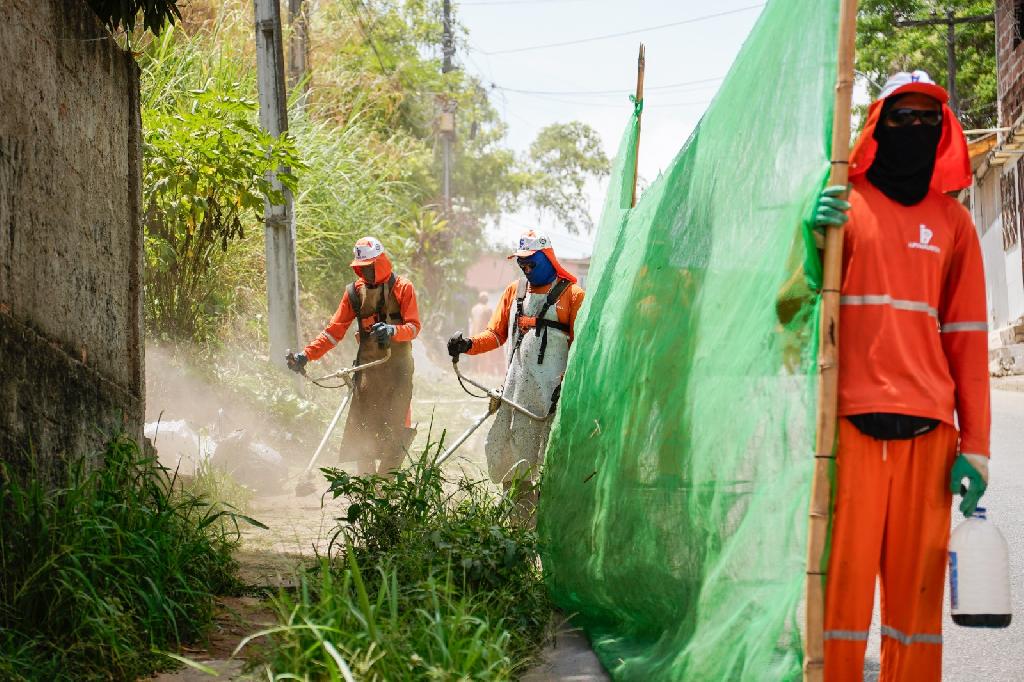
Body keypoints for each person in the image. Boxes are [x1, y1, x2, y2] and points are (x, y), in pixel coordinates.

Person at [812, 71, 990, 681]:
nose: (915, 129)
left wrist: (980, 450)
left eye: (927, 119)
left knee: (915, 617)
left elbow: (967, 342)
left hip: (931, 441)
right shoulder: (842, 204)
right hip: (849, 435)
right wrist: (809, 240)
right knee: (837, 609)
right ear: (876, 124)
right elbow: (794, 306)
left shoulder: (955, 225)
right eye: (902, 117)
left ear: (943, 131)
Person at [447, 231, 585, 492]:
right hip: (516, 394)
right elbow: (495, 334)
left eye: (532, 261)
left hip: (554, 397)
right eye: (522, 262)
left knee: (549, 462)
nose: (526, 267)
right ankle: (519, 518)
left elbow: (580, 349)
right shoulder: (515, 291)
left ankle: (543, 518)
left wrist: (567, 385)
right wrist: (468, 345)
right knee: (510, 458)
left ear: (547, 258)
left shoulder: (573, 295)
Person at [287, 237, 421, 475]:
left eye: (370, 267)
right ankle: (367, 488)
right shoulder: (354, 293)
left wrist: (392, 331)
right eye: (362, 268)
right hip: (368, 371)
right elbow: (333, 332)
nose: (366, 273)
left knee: (398, 426)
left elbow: (413, 327)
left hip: (398, 370)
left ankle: (386, 484)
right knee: (364, 428)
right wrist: (306, 356)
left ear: (381, 262)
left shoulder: (403, 287)